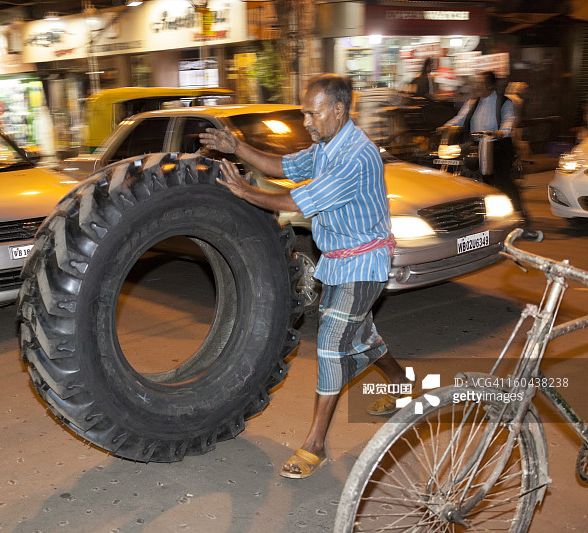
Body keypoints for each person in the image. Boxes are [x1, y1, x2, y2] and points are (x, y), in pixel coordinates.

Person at [198, 74, 414, 480]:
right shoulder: (327, 145)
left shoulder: (356, 156)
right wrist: (237, 147)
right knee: (360, 334)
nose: (306, 121)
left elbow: (295, 199)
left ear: (338, 109)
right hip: (339, 260)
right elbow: (285, 167)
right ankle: (401, 381)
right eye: (303, 113)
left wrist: (244, 192)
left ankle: (315, 444)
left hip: (363, 265)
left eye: (312, 113)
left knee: (332, 343)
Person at [440, 70, 528, 222]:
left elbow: (508, 120)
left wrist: (501, 132)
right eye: (476, 83)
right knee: (474, 180)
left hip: (498, 146)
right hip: (476, 146)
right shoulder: (472, 103)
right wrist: (444, 127)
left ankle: (519, 212)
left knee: (503, 180)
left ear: (489, 85)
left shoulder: (504, 102)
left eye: (479, 83)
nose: (475, 87)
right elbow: (459, 119)